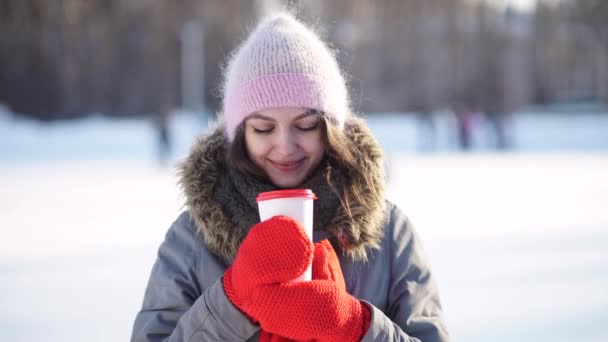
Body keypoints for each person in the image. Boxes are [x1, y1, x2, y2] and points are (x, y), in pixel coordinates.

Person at [131, 12, 449, 342]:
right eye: (263, 128)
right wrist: (232, 302)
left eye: (306, 125)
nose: (285, 146)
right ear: (239, 134)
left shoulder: (390, 234)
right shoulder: (192, 239)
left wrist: (356, 327)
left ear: (332, 129)